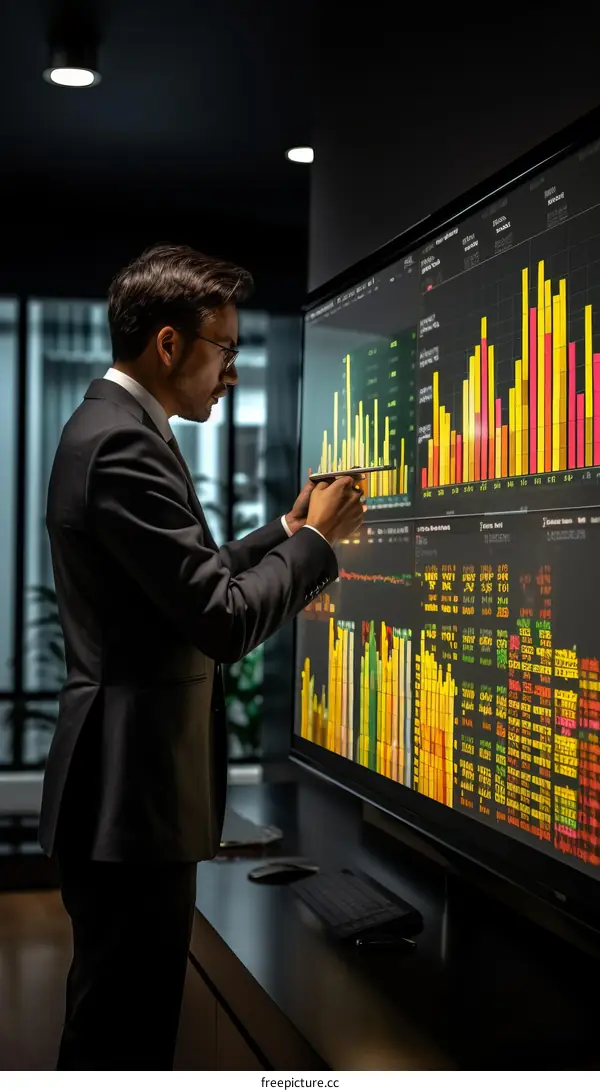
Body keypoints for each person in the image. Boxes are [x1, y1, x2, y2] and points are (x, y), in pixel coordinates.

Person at [38, 243, 365, 1070]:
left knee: (119, 1027)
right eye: (224, 349)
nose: (232, 373)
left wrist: (285, 534)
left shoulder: (115, 429)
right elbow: (218, 620)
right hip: (130, 804)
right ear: (171, 345)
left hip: (125, 801)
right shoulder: (121, 443)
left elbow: (188, 578)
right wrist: (321, 542)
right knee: (122, 1041)